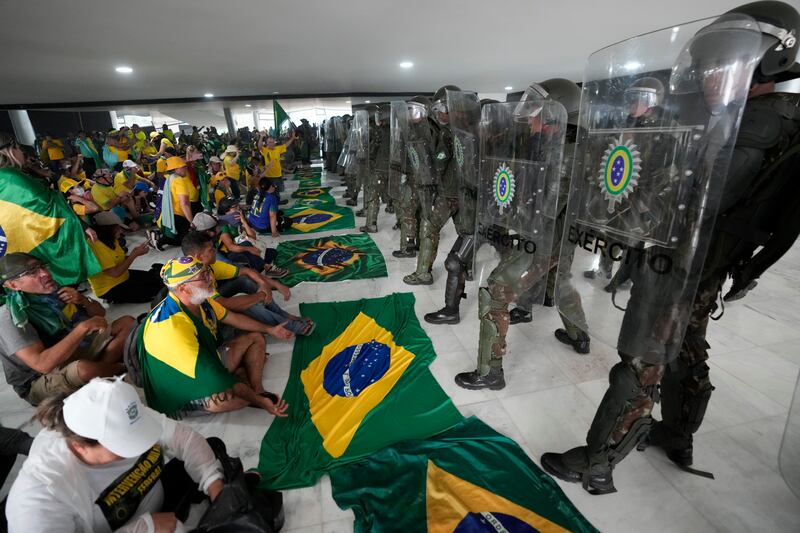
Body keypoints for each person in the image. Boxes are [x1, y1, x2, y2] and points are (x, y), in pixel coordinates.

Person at [541, 1, 800, 494]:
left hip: (683, 262)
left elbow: (692, 202)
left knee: (641, 363)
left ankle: (597, 462)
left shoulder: (753, 126)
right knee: (685, 353)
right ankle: (678, 435)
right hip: (707, 264)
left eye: (726, 63)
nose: (710, 74)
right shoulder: (771, 118)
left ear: (774, 59)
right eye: (709, 63)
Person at [6, 377, 225, 532]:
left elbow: (183, 439)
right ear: (79, 445)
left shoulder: (116, 412)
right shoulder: (39, 498)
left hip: (160, 506)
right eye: (123, 447)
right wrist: (141, 529)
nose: (140, 449)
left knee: (212, 453)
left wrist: (217, 490)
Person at [137, 256, 290, 418]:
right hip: (183, 382)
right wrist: (260, 403)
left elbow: (233, 318)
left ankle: (258, 390)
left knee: (256, 337)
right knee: (236, 400)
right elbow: (212, 376)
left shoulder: (200, 299)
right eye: (203, 277)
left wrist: (271, 329)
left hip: (206, 359)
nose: (211, 278)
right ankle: (191, 405)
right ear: (183, 288)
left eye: (207, 273)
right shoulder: (171, 328)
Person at [0, 253, 134, 406]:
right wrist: (83, 328)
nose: (44, 273)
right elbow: (42, 364)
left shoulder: (53, 290)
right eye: (31, 272)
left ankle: (102, 371)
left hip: (74, 351)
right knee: (84, 370)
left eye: (41, 266)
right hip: (38, 378)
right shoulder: (11, 315)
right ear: (13, 285)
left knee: (126, 323)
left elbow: (99, 315)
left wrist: (83, 300)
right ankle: (120, 368)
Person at [0, 132, 102, 286]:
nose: (22, 153)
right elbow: (48, 205)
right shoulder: (12, 178)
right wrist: (82, 225)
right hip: (38, 244)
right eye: (19, 149)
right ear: (10, 151)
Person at [182, 232, 312, 336]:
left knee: (245, 281)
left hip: (215, 302)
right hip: (208, 321)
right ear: (198, 256)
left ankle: (285, 316)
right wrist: (260, 295)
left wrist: (263, 283)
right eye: (211, 250)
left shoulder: (207, 265)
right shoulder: (194, 279)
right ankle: (287, 324)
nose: (215, 251)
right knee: (246, 304)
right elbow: (224, 304)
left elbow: (245, 271)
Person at [88, 211, 163, 304]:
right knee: (155, 291)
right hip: (110, 287)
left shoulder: (110, 239)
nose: (121, 231)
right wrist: (134, 255)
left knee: (159, 280)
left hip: (124, 276)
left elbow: (118, 259)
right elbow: (115, 273)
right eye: (117, 228)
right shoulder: (96, 246)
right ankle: (113, 298)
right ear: (106, 229)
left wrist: (137, 252)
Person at [393, 96, 434, 258]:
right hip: (418, 179)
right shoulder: (418, 129)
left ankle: (409, 246)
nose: (409, 115)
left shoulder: (426, 131)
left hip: (420, 180)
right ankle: (415, 244)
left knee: (408, 212)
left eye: (413, 110)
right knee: (417, 213)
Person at [209, 200, 287, 277]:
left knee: (272, 252)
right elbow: (230, 247)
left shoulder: (237, 220)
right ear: (226, 211)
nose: (238, 209)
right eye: (235, 207)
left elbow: (253, 236)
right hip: (230, 254)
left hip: (242, 249)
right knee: (247, 245)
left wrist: (244, 222)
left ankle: (255, 266)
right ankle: (266, 267)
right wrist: (249, 249)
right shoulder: (223, 225)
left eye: (238, 206)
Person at [149, 156, 195, 249]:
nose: (186, 168)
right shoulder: (179, 180)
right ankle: (159, 239)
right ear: (176, 169)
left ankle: (160, 237)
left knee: (182, 237)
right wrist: (191, 221)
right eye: (183, 167)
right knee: (186, 240)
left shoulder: (170, 178)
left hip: (171, 214)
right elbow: (184, 203)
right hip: (178, 215)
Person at [258, 131, 297, 197]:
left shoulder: (278, 149)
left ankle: (277, 200)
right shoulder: (265, 150)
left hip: (278, 174)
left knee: (279, 189)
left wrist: (293, 138)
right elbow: (259, 147)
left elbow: (286, 145)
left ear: (274, 142)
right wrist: (261, 137)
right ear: (267, 143)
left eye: (272, 142)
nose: (271, 143)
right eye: (269, 142)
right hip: (269, 175)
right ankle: (274, 202)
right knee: (271, 190)